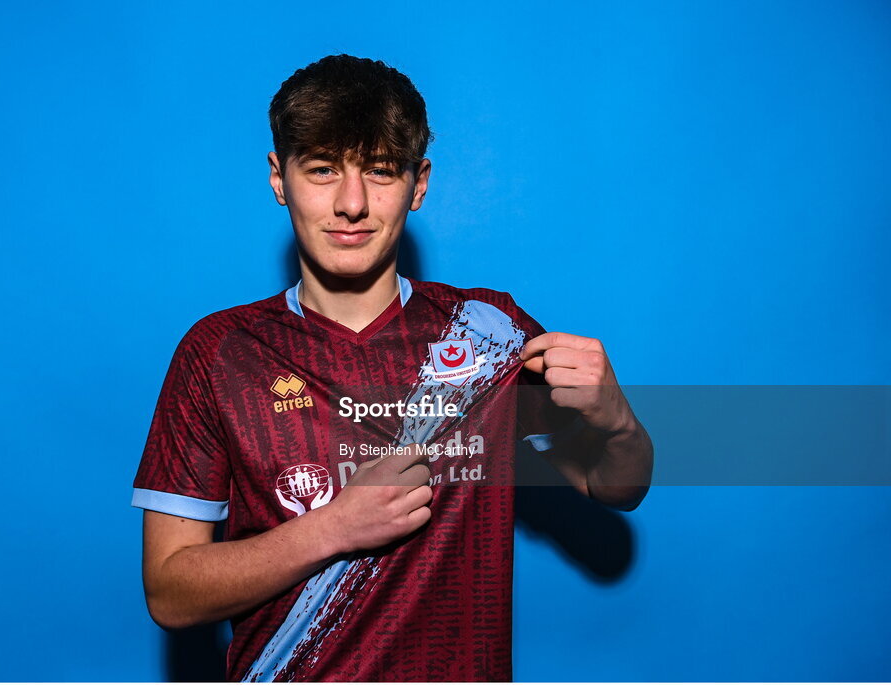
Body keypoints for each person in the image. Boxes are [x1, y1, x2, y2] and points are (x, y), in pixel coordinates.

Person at [131, 54, 653, 682]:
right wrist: (334, 529)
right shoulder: (218, 351)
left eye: (380, 172)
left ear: (419, 183)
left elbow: (615, 486)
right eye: (322, 170)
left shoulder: (486, 335)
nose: (352, 203)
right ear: (279, 178)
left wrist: (619, 419)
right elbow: (168, 590)